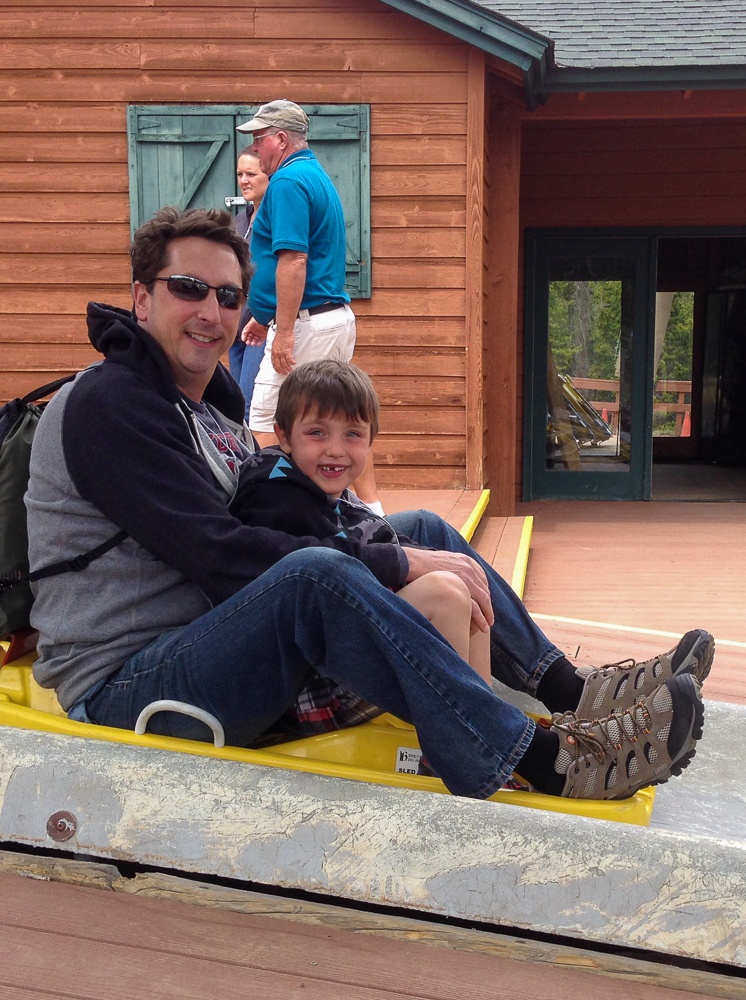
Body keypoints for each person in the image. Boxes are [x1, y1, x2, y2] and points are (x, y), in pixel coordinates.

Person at [25, 206, 712, 803]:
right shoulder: (109, 405)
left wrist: (395, 545)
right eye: (188, 288)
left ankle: (567, 690)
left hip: (216, 643)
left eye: (229, 296)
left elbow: (274, 521)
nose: (211, 311)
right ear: (142, 299)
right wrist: (389, 563)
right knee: (319, 575)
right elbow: (219, 553)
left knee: (421, 527)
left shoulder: (207, 410)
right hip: (131, 683)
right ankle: (539, 762)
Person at [230, 359, 490, 685]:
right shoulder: (275, 492)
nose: (335, 450)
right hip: (298, 674)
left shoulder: (321, 491)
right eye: (316, 433)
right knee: (445, 594)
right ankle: (466, 724)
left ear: (370, 442)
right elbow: (327, 568)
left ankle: (487, 709)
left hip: (336, 644)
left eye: (352, 434)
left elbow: (373, 536)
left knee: (463, 580)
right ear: (283, 436)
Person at [236, 99, 382, 513]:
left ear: (280, 140)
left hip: (306, 325)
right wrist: (265, 320)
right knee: (343, 421)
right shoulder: (314, 176)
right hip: (329, 318)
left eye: (260, 139)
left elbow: (294, 260)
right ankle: (371, 511)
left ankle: (290, 513)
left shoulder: (287, 183)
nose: (255, 148)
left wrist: (283, 331)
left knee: (266, 423)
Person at [227, 148, 269, 420]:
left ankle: (254, 462)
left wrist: (262, 314)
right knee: (238, 400)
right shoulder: (241, 220)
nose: (244, 180)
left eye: (251, 174)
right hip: (236, 326)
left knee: (251, 405)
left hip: (260, 325)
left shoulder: (274, 217)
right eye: (240, 174)